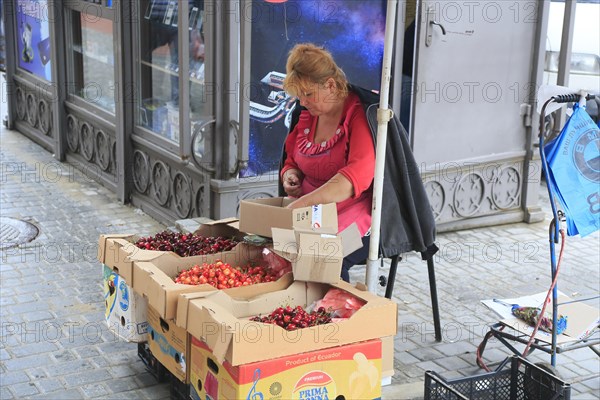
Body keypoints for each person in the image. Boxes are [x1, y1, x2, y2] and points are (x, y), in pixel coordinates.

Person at [280, 43, 375, 282]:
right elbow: (292, 157)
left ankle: (331, 315)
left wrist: (301, 204)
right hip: (310, 211)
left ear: (330, 85)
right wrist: (290, 173)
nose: (303, 102)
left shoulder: (359, 114)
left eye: (308, 94)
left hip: (357, 212)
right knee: (282, 251)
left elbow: (353, 181)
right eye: (299, 96)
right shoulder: (307, 114)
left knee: (327, 259)